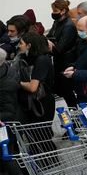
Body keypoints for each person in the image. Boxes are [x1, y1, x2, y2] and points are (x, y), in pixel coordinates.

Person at [17, 32, 58, 168]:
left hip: (42, 104)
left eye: (21, 43)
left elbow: (33, 87)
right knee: (39, 134)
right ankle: (47, 162)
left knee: (42, 135)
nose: (19, 46)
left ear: (29, 45)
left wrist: (18, 83)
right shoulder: (34, 58)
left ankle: (49, 163)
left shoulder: (41, 60)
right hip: (39, 102)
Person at [46, 0, 78, 108]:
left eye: (55, 11)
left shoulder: (69, 26)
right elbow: (50, 35)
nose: (53, 14)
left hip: (66, 62)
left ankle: (74, 113)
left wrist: (50, 44)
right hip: (58, 61)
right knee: (62, 90)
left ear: (63, 11)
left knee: (67, 91)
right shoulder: (57, 22)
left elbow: (59, 48)